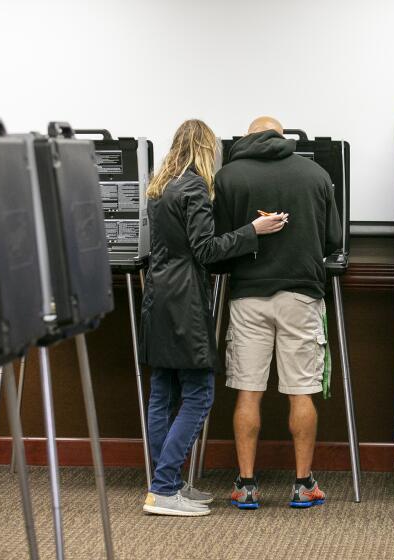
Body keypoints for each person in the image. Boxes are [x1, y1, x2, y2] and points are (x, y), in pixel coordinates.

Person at [138, 119, 288, 517]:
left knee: (161, 395)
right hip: (185, 301)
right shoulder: (194, 190)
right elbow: (205, 250)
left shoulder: (160, 188)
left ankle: (165, 483)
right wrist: (253, 230)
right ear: (207, 150)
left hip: (157, 297)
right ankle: (165, 488)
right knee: (199, 395)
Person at [214, 116, 342, 509]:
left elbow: (219, 243)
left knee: (248, 393)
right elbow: (333, 240)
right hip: (301, 297)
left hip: (248, 297)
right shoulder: (315, 174)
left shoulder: (229, 176)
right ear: (282, 138)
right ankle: (303, 485)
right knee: (301, 392)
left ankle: (246, 485)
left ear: (249, 138)